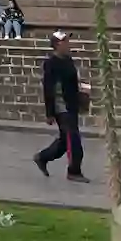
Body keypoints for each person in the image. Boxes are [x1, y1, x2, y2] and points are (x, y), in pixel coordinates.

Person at [35, 30, 87, 183]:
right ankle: (74, 171)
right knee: (73, 138)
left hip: (71, 104)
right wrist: (50, 113)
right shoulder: (51, 63)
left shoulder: (68, 60)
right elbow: (48, 88)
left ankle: (42, 157)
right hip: (61, 106)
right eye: (65, 42)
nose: (68, 44)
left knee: (65, 140)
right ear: (57, 44)